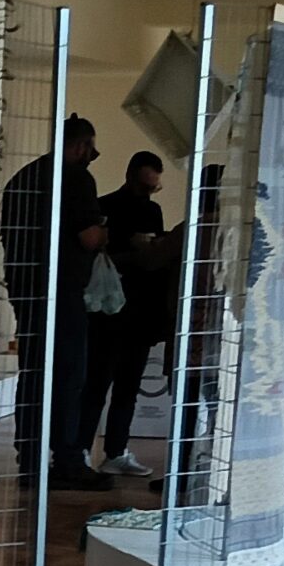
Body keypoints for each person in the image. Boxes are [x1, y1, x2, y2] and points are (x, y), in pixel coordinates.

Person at [1, 113, 107, 490]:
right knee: (68, 375)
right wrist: (107, 233)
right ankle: (67, 460)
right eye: (91, 149)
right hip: (61, 292)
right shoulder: (75, 177)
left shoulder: (22, 178)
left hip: (25, 290)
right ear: (79, 147)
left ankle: (30, 459)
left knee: (32, 373)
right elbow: (89, 237)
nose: (92, 156)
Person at [80, 150, 172, 477]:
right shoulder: (105, 208)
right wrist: (139, 251)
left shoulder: (143, 209)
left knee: (124, 386)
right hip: (111, 310)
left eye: (153, 187)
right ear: (131, 176)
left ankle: (110, 451)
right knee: (99, 383)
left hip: (134, 310)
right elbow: (98, 256)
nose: (149, 192)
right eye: (147, 186)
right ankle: (87, 451)